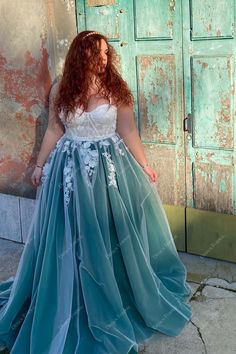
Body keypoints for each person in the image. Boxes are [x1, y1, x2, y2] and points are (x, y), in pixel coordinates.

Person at [0, 30, 192, 354]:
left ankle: (112, 295)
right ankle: (71, 294)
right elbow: (54, 128)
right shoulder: (62, 88)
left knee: (108, 234)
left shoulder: (115, 88)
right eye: (96, 54)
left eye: (106, 53)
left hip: (109, 171)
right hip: (69, 171)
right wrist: (39, 165)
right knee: (70, 236)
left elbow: (128, 129)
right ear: (80, 55)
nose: (103, 59)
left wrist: (144, 165)